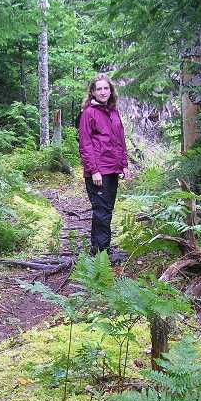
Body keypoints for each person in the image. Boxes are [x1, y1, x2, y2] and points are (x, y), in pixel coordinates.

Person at [78, 74, 130, 262]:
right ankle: (101, 254)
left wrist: (124, 164)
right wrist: (94, 171)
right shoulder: (89, 113)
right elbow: (85, 144)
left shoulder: (113, 111)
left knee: (106, 209)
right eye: (98, 89)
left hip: (113, 168)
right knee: (101, 210)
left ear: (111, 90)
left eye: (105, 88)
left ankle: (99, 248)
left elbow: (120, 140)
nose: (102, 92)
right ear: (92, 92)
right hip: (98, 171)